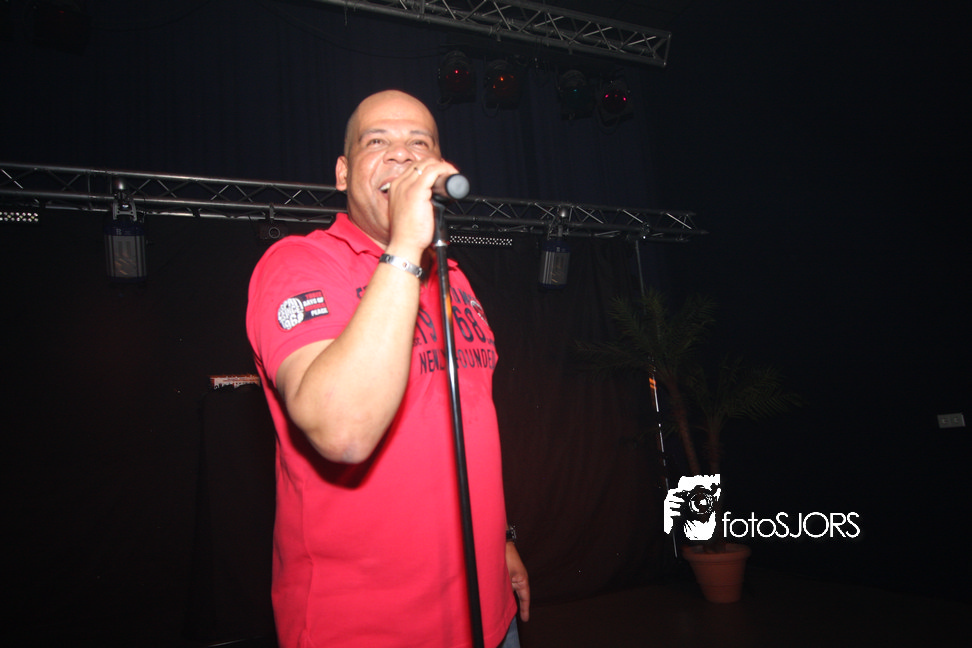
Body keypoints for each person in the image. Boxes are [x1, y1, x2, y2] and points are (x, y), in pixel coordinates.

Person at [246, 89, 529, 648]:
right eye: (377, 141)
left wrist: (498, 541)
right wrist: (404, 246)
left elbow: (461, 427)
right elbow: (343, 431)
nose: (402, 154)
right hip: (369, 629)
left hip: (487, 615)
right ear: (342, 173)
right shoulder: (300, 263)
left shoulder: (454, 279)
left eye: (419, 143)